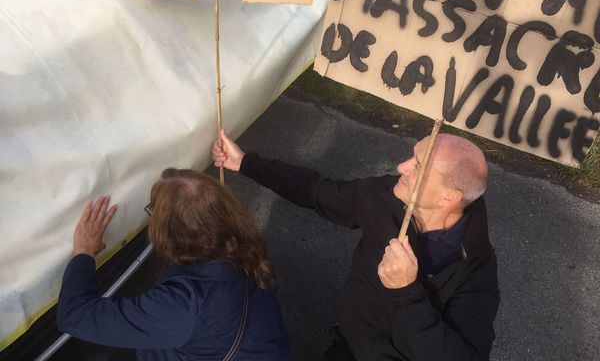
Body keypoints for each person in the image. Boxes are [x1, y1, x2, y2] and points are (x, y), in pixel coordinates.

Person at [212, 131, 500, 361]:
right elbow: (319, 192)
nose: (401, 167)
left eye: (418, 166)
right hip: (347, 345)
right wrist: (246, 162)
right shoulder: (388, 194)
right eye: (412, 156)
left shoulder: (473, 268)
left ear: (449, 197)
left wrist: (406, 293)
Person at [57, 168, 293, 361]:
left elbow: (74, 315)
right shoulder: (245, 250)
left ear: (170, 235)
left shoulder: (183, 305)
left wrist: (84, 252)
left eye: (153, 211)